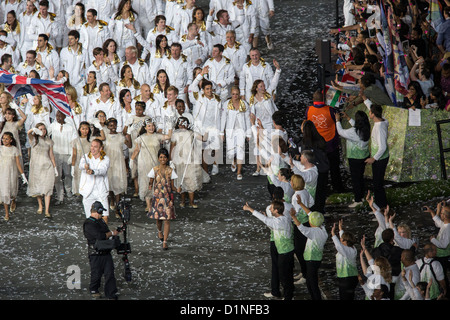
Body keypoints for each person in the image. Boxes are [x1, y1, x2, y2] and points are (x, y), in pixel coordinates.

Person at [243, 199, 295, 300]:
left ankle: (288, 297)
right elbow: (272, 226)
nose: (270, 209)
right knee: (287, 275)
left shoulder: (279, 221)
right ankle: (289, 294)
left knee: (284, 277)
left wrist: (250, 209)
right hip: (287, 251)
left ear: (276, 210)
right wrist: (266, 218)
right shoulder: (283, 219)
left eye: (271, 208)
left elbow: (266, 220)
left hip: (285, 253)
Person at [306, 89, 345, 195]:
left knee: (320, 169)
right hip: (331, 143)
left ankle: (322, 189)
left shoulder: (308, 110)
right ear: (324, 99)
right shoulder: (331, 110)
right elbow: (338, 121)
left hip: (317, 145)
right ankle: (338, 188)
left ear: (313, 99)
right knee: (334, 168)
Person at [83, 201, 120, 300]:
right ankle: (94, 289)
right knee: (96, 273)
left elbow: (105, 233)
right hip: (95, 253)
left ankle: (111, 293)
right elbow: (100, 236)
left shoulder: (101, 221)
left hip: (105, 251)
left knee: (109, 273)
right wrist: (112, 233)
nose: (102, 214)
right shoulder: (88, 223)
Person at [290, 203, 327, 300]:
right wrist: (300, 203)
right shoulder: (323, 229)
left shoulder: (313, 232)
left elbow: (301, 228)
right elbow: (311, 213)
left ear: (311, 223)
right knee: (310, 281)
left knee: (312, 283)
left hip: (311, 259)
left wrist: (294, 217)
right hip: (316, 259)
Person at [130, 119, 169, 211]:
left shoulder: (158, 136)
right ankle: (148, 205)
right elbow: (136, 150)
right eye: (149, 126)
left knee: (156, 182)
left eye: (153, 126)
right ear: (145, 128)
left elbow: (168, 137)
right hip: (144, 163)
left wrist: (170, 127)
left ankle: (156, 202)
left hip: (155, 162)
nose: (151, 128)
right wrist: (131, 159)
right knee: (145, 181)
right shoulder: (141, 137)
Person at [147, 147, 182, 250]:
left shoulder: (170, 171)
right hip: (157, 198)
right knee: (159, 219)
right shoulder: (154, 170)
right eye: (161, 157)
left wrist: (177, 190)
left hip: (168, 198)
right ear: (158, 158)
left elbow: (172, 186)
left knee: (167, 220)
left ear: (167, 159)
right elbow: (151, 180)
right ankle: (159, 231)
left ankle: (165, 242)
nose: (163, 159)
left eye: (165, 157)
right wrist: (150, 185)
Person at [190, 68, 222, 177]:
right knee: (204, 150)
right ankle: (205, 171)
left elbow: (220, 116)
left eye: (210, 89)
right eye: (207, 89)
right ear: (203, 90)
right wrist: (201, 75)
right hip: (202, 127)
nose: (209, 91)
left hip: (214, 127)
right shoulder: (199, 97)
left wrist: (221, 132)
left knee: (215, 148)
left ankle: (215, 165)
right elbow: (192, 86)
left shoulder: (217, 100)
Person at [335, 110, 370, 207]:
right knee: (360, 177)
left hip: (355, 158)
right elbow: (357, 126)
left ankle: (358, 200)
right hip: (364, 156)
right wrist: (348, 118)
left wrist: (337, 120)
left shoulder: (353, 132)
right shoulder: (366, 128)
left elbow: (341, 132)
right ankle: (362, 197)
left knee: (356, 180)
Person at [170, 117, 203, 208]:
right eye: (180, 123)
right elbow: (172, 147)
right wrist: (171, 160)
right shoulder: (175, 134)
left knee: (190, 179)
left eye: (184, 123)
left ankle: (191, 202)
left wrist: (199, 130)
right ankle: (183, 200)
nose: (182, 125)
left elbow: (203, 139)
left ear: (187, 125)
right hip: (179, 160)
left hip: (190, 159)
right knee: (181, 179)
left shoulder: (191, 133)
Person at [26, 122, 58, 218]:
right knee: (38, 186)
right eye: (40, 129)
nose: (42, 131)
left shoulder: (49, 141)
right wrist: (33, 130)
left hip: (47, 165)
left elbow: (51, 155)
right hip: (36, 166)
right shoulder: (34, 140)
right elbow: (28, 133)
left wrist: (55, 167)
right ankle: (40, 205)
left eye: (44, 129)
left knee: (47, 187)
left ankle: (47, 210)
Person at [220, 86, 252, 180]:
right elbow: (223, 119)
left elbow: (247, 120)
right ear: (231, 94)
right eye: (233, 94)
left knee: (240, 151)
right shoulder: (226, 104)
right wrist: (222, 132)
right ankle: (233, 160)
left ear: (239, 94)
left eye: (237, 94)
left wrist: (248, 133)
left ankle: (239, 171)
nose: (235, 96)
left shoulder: (244, 104)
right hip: (230, 130)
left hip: (241, 131)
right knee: (231, 152)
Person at [363, 99, 389, 210]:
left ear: (373, 114)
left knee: (378, 184)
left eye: (370, 112)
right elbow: (372, 108)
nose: (369, 113)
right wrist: (365, 99)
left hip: (380, 159)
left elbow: (382, 147)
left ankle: (382, 207)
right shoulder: (383, 121)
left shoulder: (380, 128)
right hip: (380, 158)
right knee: (377, 183)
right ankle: (381, 206)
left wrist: (374, 158)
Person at [48, 110, 78, 205]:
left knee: (68, 173)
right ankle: (60, 195)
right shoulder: (53, 125)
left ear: (64, 117)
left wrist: (71, 155)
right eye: (57, 116)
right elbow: (45, 134)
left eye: (60, 116)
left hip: (67, 153)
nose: (58, 118)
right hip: (56, 153)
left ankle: (68, 190)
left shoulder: (70, 127)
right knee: (58, 176)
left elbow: (73, 141)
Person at [103, 118, 131, 215]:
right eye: (111, 125)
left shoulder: (120, 136)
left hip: (119, 162)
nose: (113, 127)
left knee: (118, 184)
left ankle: (117, 208)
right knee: (110, 182)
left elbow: (130, 145)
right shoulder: (105, 136)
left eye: (114, 125)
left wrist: (128, 135)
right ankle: (112, 200)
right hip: (109, 162)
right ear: (108, 127)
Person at [79, 138, 110, 221]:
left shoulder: (105, 159)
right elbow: (81, 165)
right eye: (91, 146)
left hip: (101, 190)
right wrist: (85, 166)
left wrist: (93, 171)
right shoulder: (86, 157)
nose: (92, 148)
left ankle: (103, 233)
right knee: (90, 218)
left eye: (95, 147)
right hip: (88, 191)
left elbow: (103, 170)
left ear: (100, 148)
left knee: (104, 217)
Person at [424, 201, 450, 299]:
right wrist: (432, 212)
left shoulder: (448, 229)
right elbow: (438, 223)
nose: (441, 214)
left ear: (445, 216)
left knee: (443, 275)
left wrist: (433, 240)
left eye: (442, 213)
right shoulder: (446, 224)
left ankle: (446, 293)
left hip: (444, 256)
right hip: (442, 255)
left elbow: (443, 245)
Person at [0, 132, 27, 221]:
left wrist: (23, 175)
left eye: (6, 139)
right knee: (5, 192)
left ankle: (13, 200)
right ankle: (7, 213)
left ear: (11, 140)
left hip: (12, 172)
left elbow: (18, 163)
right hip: (3, 173)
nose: (4, 140)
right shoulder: (1, 149)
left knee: (12, 190)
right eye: (3, 138)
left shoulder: (14, 150)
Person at [331, 219, 358, 300]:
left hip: (346, 278)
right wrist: (340, 229)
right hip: (351, 278)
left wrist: (333, 234)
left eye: (341, 239)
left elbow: (338, 246)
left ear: (345, 241)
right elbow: (343, 241)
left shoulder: (346, 250)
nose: (340, 239)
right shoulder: (351, 248)